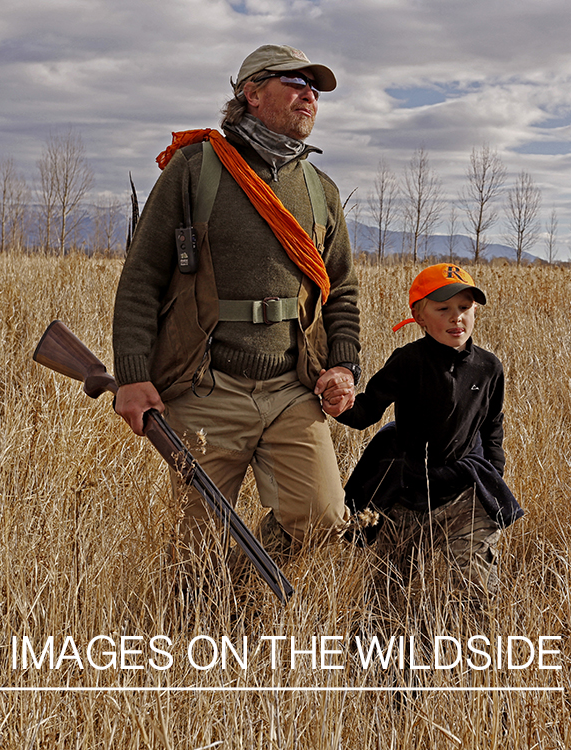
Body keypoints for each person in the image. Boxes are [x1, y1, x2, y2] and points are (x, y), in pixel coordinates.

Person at [112, 44, 360, 564]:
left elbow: (342, 290)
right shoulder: (194, 169)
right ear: (251, 92)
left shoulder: (321, 191)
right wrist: (132, 375)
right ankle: (200, 625)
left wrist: (343, 364)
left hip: (291, 387)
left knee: (322, 520)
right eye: (295, 82)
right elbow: (141, 279)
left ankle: (251, 580)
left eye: (315, 88)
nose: (309, 95)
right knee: (200, 548)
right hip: (209, 385)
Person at [330, 264, 524, 597]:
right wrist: (338, 403)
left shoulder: (488, 367)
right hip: (407, 487)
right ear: (419, 316)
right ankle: (380, 643)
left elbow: (492, 423)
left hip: (465, 486)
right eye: (443, 309)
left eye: (465, 308)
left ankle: (467, 641)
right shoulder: (407, 361)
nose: (456, 317)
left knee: (474, 584)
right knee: (387, 590)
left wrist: (494, 472)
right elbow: (366, 412)